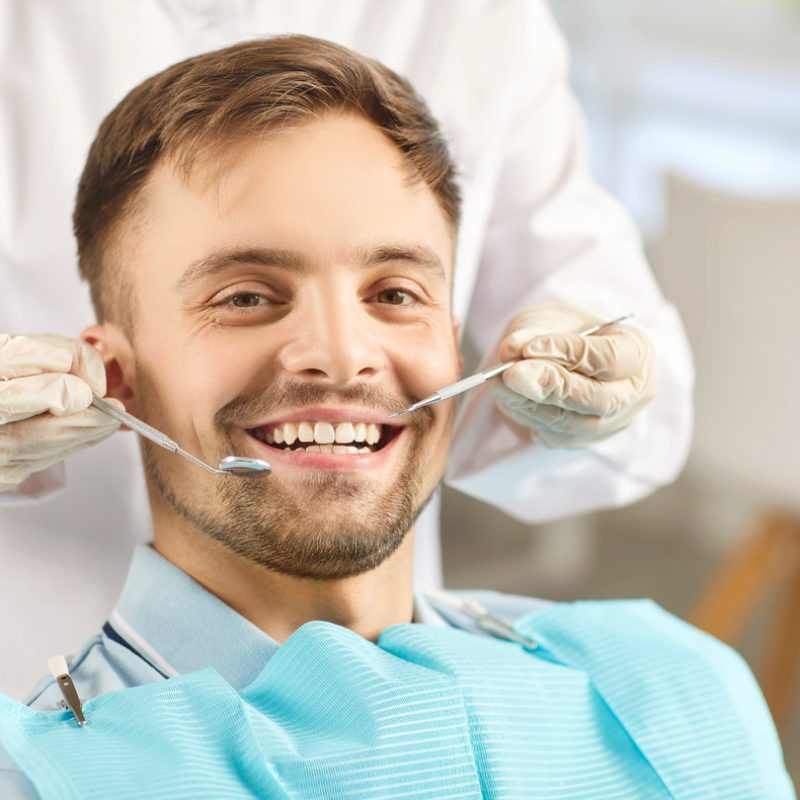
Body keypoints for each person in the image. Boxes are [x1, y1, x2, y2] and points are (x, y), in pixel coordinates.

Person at [0, 36, 790, 799]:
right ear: (113, 378)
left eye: (394, 295)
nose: (342, 355)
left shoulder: (675, 685)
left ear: (453, 346)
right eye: (245, 297)